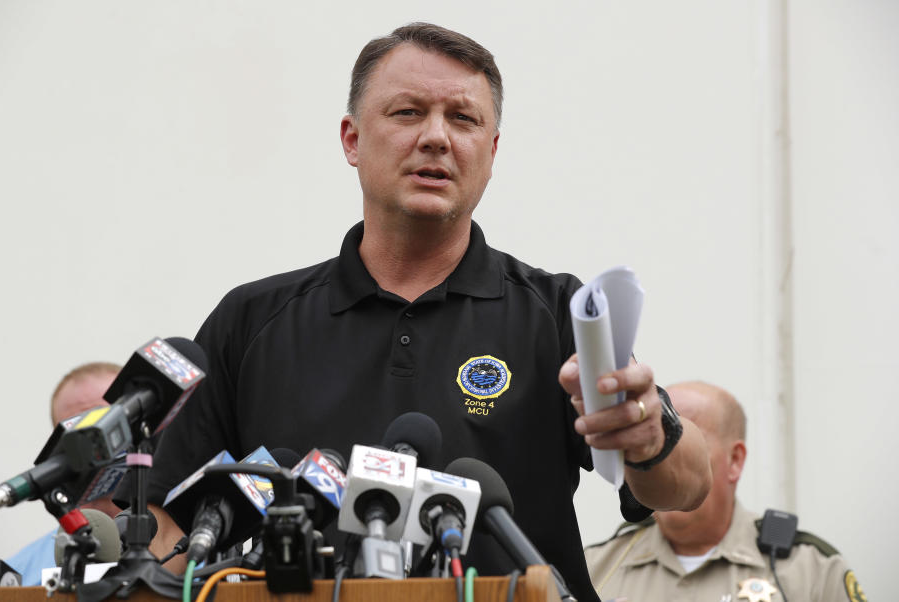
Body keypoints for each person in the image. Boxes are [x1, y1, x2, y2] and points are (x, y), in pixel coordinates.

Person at [144, 23, 711, 599]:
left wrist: (649, 436)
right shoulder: (252, 320)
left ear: (491, 153)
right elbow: (167, 525)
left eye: (463, 119)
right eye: (408, 112)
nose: (437, 137)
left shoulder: (557, 310)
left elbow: (686, 486)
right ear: (351, 139)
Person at [584, 381, 865, 602]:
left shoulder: (811, 572)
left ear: (735, 461)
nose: (663, 456)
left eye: (680, 440)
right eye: (653, 440)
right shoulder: (593, 569)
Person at [6, 362, 121, 586]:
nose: (93, 450)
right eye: (77, 434)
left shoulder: (195, 550)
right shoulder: (19, 574)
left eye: (105, 425)